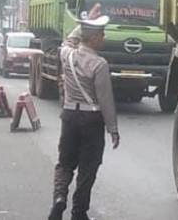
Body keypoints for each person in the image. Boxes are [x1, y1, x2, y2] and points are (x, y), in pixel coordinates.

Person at [49, 16, 119, 220]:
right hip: (91, 119)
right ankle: (79, 212)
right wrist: (113, 129)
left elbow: (68, 40)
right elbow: (106, 99)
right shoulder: (99, 64)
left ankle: (59, 197)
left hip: (69, 116)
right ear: (94, 39)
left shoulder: (67, 55)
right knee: (88, 168)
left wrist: (83, 23)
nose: (104, 38)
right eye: (102, 35)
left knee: (65, 163)